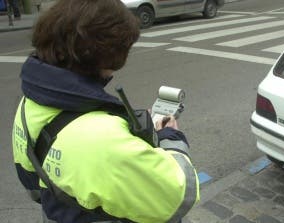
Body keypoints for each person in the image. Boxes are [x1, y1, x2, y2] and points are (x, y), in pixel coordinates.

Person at [11, 0, 200, 222]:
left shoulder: (28, 105)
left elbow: (33, 184)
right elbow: (178, 195)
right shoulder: (103, 139)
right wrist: (170, 139)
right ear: (108, 54)